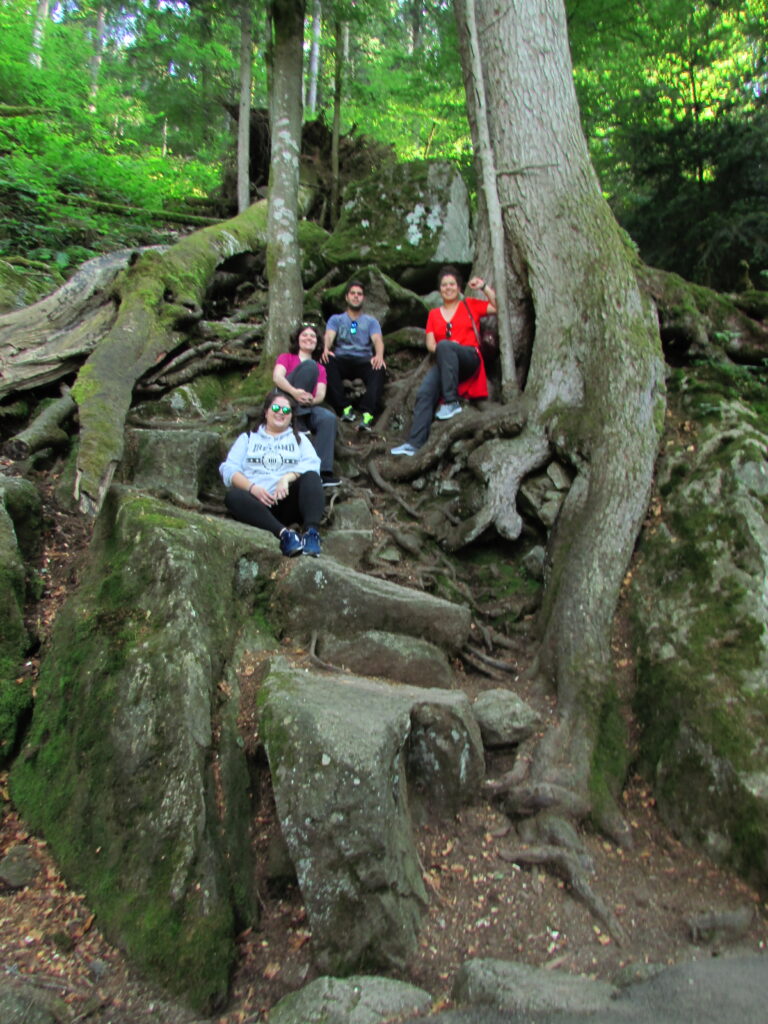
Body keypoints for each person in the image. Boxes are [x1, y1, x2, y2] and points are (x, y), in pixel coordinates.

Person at [390, 266, 497, 456]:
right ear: (440, 289)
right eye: (444, 285)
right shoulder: (434, 315)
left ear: (459, 287)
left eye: (452, 284)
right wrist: (445, 346)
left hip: (469, 358)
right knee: (424, 393)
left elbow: (497, 307)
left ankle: (451, 402)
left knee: (446, 346)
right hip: (445, 361)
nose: (448, 288)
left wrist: (484, 287)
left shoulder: (470, 305)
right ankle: (415, 443)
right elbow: (431, 344)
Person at [219, 389, 324, 557]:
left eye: (286, 410)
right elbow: (229, 469)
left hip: (287, 501)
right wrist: (252, 488)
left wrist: (287, 478)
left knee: (312, 478)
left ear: (291, 417)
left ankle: (311, 535)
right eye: (276, 409)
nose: (280, 413)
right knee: (233, 497)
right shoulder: (247, 438)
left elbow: (312, 464)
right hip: (258, 505)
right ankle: (285, 535)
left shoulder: (300, 439)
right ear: (266, 412)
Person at [273, 323, 340, 487]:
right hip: (284, 400)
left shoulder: (320, 368)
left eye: (313, 336)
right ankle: (299, 419)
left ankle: (322, 471)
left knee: (328, 418)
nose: (309, 338)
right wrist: (294, 392)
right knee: (309, 366)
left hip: (306, 406)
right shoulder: (286, 357)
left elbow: (321, 394)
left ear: (317, 343)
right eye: (305, 335)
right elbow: (277, 377)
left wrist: (311, 400)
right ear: (298, 339)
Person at [322, 280, 386, 432]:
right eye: (353, 293)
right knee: (326, 361)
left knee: (379, 368)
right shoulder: (336, 319)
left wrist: (379, 355)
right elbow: (329, 336)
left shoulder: (371, 321)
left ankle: (368, 414)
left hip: (363, 359)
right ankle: (344, 408)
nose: (356, 297)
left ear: (363, 298)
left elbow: (378, 340)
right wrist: (325, 348)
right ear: (346, 297)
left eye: (359, 294)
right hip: (341, 358)